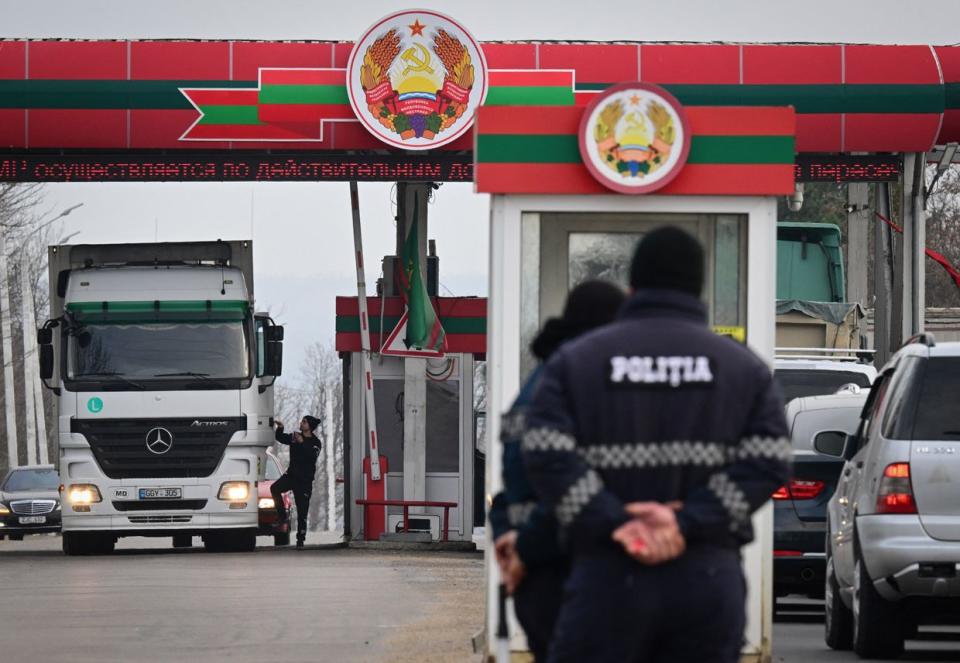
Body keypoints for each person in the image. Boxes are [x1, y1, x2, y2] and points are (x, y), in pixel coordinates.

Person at [522, 227, 791, 663]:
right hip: (707, 582)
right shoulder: (743, 368)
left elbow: (546, 453)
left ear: (633, 286)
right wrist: (685, 524)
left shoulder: (576, 362)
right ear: (699, 288)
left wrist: (616, 523)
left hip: (606, 580)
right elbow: (769, 461)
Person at [489, 280, 626, 662]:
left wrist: (508, 535)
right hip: (564, 565)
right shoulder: (579, 386)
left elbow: (515, 485)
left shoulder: (539, 381)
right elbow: (566, 490)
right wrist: (526, 549)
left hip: (536, 572)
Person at [272, 415, 322, 548]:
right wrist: (280, 429)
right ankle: (282, 516)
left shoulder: (316, 442)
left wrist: (302, 443)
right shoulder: (294, 437)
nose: (301, 423)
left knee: (302, 511)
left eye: (304, 422)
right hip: (291, 476)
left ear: (309, 426)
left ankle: (300, 539)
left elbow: (312, 457)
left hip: (304, 481)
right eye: (301, 421)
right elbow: (281, 438)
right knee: (274, 488)